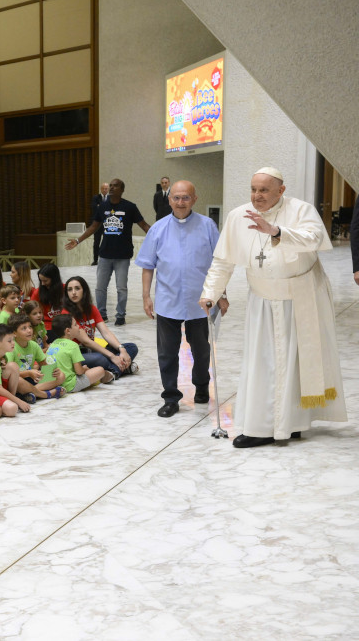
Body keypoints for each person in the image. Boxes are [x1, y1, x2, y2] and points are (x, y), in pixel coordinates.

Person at [200, 167, 347, 447]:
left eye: (264, 190)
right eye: (253, 189)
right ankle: (261, 426)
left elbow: (314, 239)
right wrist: (210, 292)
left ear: (281, 190)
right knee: (264, 363)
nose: (257, 196)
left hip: (301, 298)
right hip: (263, 301)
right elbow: (223, 260)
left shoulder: (301, 210)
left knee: (297, 364)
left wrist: (277, 231)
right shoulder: (237, 216)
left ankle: (292, 423)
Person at [135, 180, 224, 417]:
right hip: (167, 301)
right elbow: (147, 266)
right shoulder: (158, 228)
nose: (180, 202)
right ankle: (171, 397)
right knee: (167, 352)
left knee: (201, 350)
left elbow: (219, 264)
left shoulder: (208, 226)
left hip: (200, 302)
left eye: (186, 198)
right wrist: (146, 296)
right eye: (176, 198)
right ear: (169, 199)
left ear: (194, 199)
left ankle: (202, 385)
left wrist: (221, 294)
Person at [65, 178, 151, 326]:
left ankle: (120, 315)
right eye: (110, 185)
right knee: (100, 287)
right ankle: (102, 314)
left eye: (115, 186)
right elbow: (93, 227)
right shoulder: (103, 206)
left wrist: (161, 237)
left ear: (122, 189)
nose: (111, 188)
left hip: (123, 256)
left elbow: (144, 225)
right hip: (104, 254)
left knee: (121, 288)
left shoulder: (130, 207)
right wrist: (78, 241)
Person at [90, 182, 109, 265]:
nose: (105, 190)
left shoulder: (111, 198)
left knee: (106, 242)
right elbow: (94, 207)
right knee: (96, 242)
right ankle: (95, 260)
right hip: (97, 224)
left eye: (106, 188)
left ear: (108, 189)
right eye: (103, 188)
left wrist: (100, 206)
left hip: (107, 223)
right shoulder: (96, 197)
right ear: (101, 189)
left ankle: (105, 259)